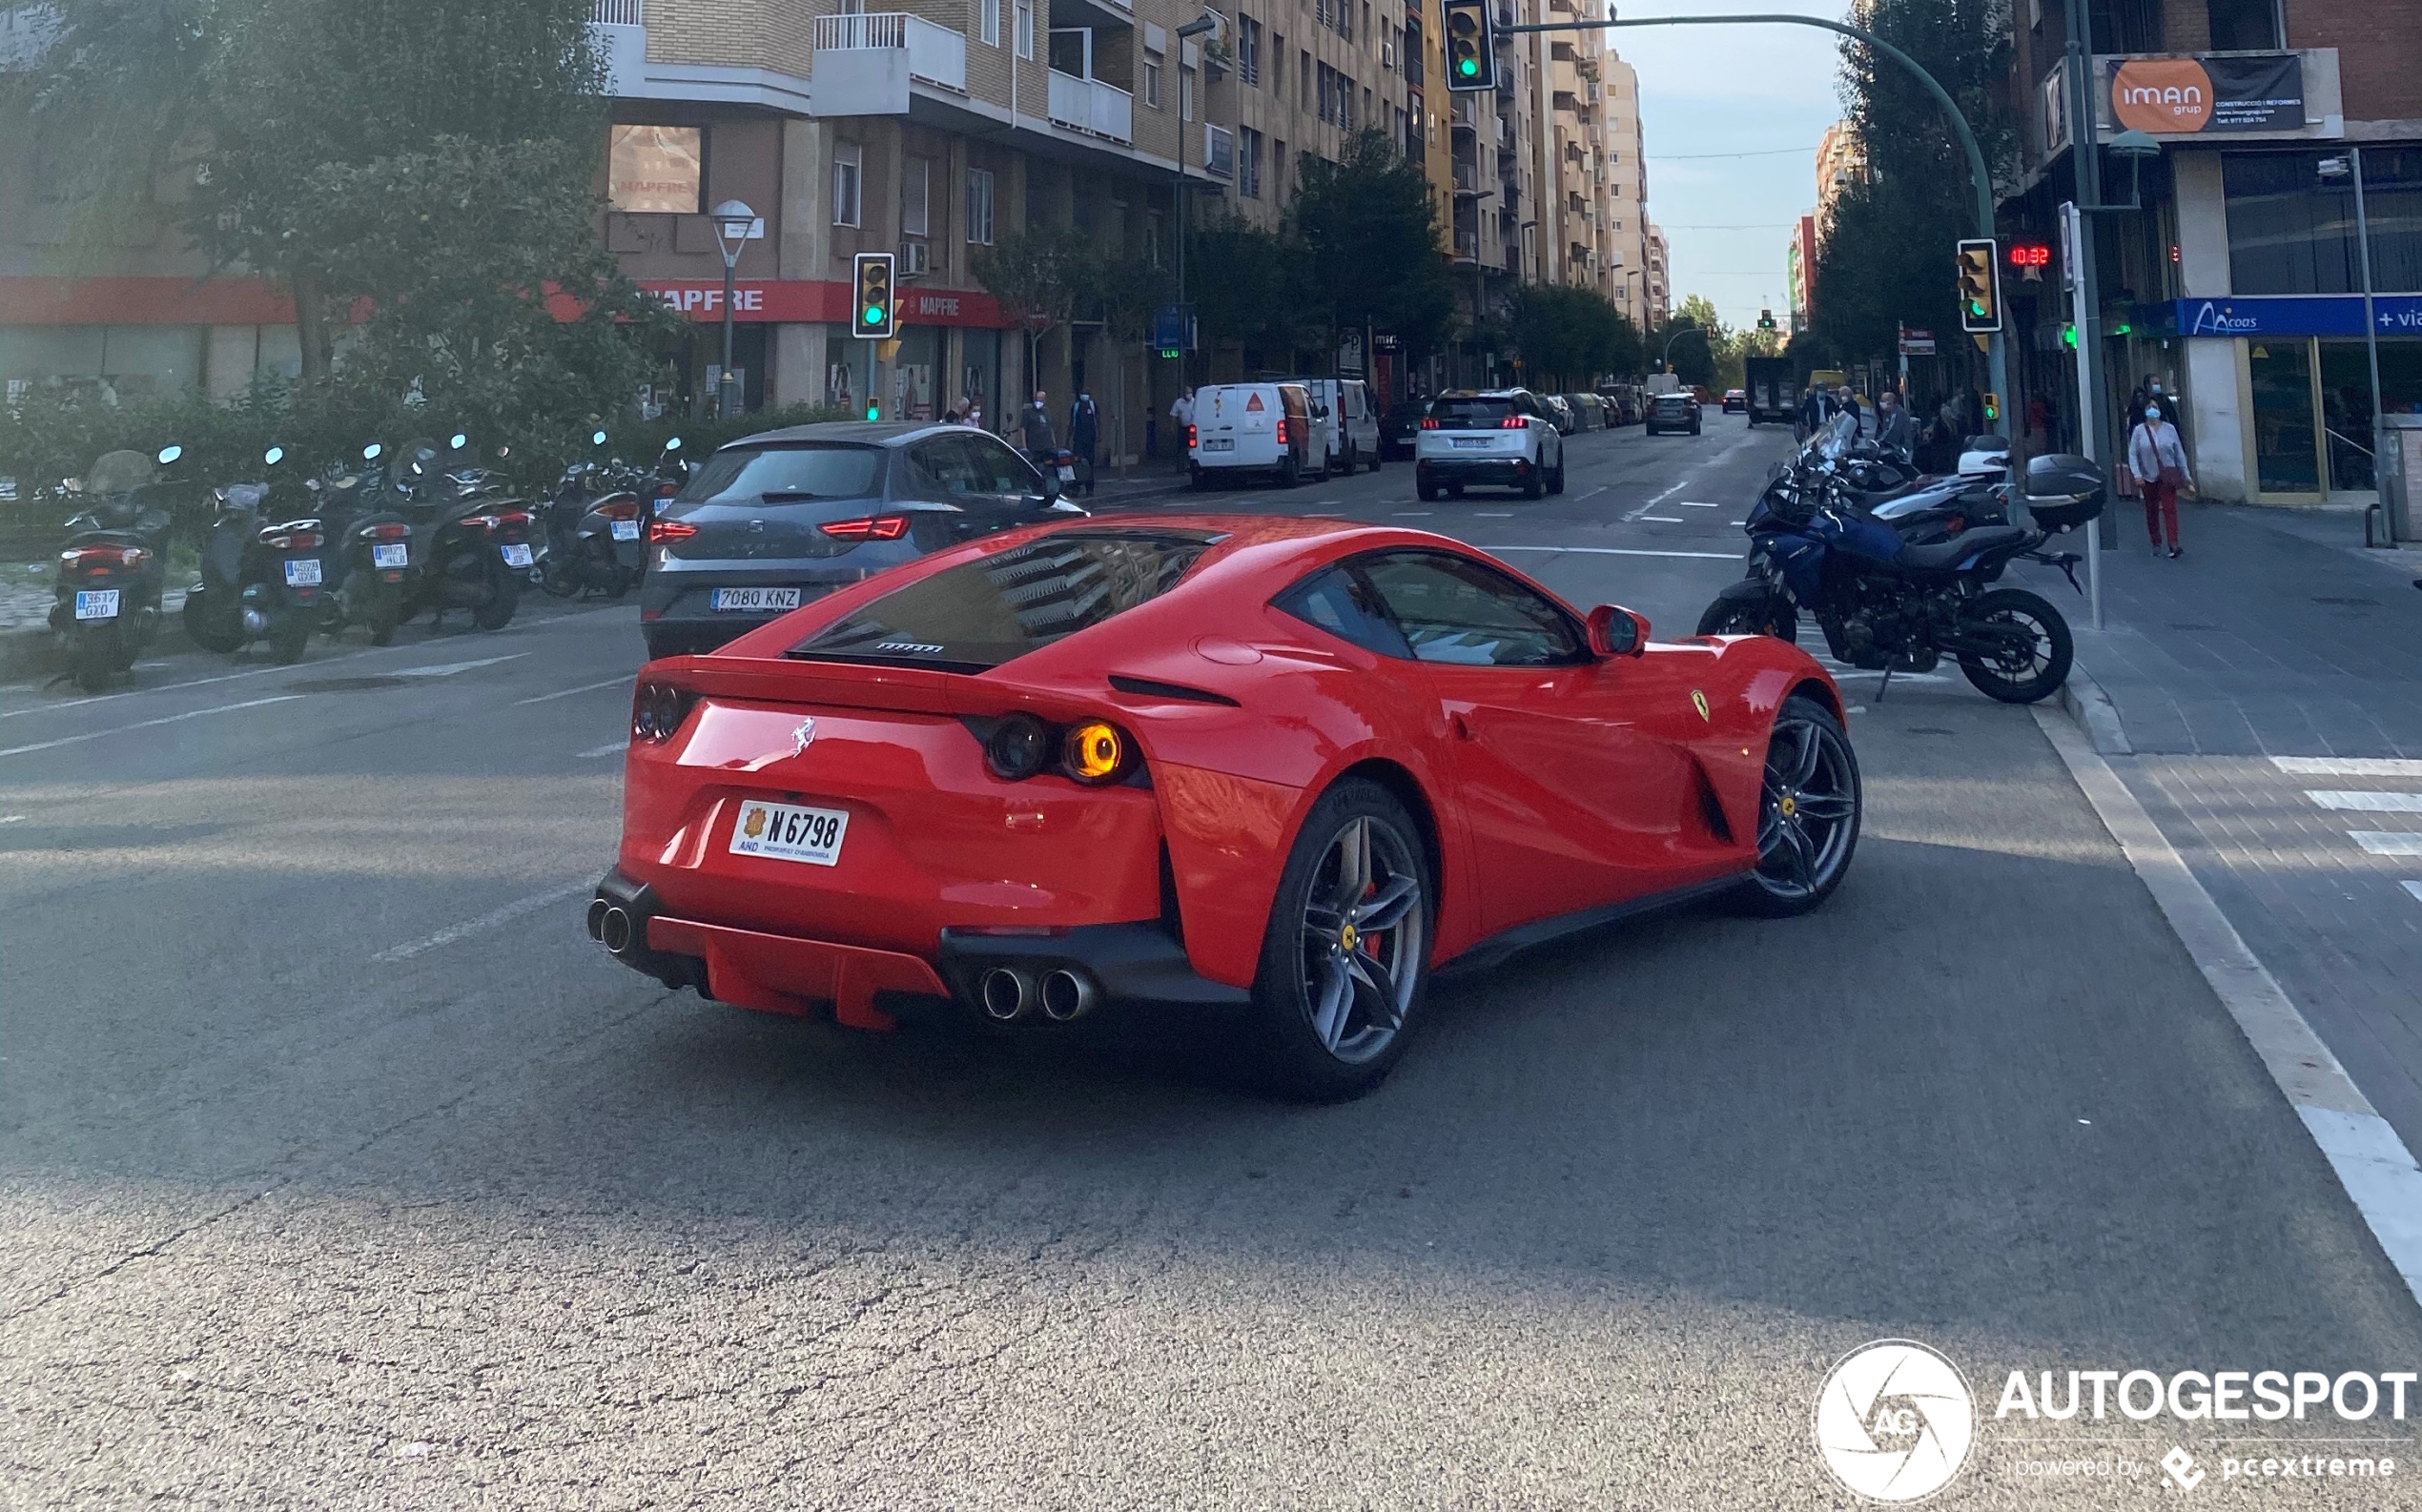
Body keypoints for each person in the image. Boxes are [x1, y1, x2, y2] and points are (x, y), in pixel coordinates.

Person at [2127, 398, 2194, 558]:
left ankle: (2173, 543)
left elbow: (2179, 453)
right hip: (2148, 477)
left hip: (2167, 477)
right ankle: (2156, 541)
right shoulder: (2139, 431)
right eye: (2149, 407)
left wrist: (2187, 476)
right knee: (2151, 511)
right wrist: (2137, 475)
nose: (2152, 410)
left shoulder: (2169, 429)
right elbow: (2132, 454)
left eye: (2155, 407)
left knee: (2170, 509)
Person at [1067, 391, 1099, 497]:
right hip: (1078, 440)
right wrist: (1068, 440)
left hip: (1090, 440)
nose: (1085, 395)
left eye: (1087, 393)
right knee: (1077, 464)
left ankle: (1090, 489)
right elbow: (1072, 423)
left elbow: (1098, 420)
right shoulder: (1076, 406)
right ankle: (1076, 488)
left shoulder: (1093, 406)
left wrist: (1099, 435)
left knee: (1090, 464)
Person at [1876, 390, 1919, 460]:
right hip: (1896, 447)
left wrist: (1880, 441)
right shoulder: (1887, 413)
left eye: (1884, 401)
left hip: (1903, 447)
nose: (1881, 403)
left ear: (1891, 403)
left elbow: (1891, 429)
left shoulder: (1898, 413)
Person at [1019, 389, 1056, 460]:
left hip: (1047, 446)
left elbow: (1050, 427)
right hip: (1034, 447)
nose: (1038, 402)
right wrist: (1024, 446)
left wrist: (1053, 441)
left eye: (1041, 400)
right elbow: (1023, 429)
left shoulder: (1047, 412)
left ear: (1045, 401)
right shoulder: (1028, 412)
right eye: (1037, 399)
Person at [1169, 386, 1197, 469]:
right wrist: (1172, 427)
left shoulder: (1195, 402)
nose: (1189, 395)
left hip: (1193, 429)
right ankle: (1181, 467)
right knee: (1181, 447)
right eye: (1187, 393)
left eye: (1190, 393)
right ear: (1183, 394)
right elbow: (1174, 415)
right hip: (1183, 428)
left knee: (1192, 448)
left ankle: (1191, 466)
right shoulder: (1179, 403)